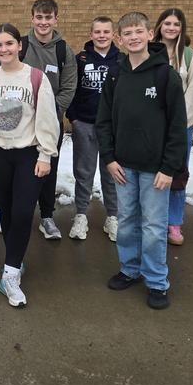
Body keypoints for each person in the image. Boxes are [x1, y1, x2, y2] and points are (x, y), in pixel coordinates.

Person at [96, 12, 186, 310]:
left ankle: (157, 281)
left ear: (150, 35)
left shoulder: (165, 75)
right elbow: (104, 120)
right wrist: (108, 158)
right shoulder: (116, 75)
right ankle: (129, 269)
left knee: (153, 227)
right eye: (127, 33)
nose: (133, 37)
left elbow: (177, 126)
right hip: (123, 166)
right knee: (127, 223)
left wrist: (168, 168)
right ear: (119, 39)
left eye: (139, 31)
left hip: (155, 170)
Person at [0, 24, 59, 308]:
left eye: (9, 43)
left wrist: (46, 155)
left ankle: (9, 276)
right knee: (7, 212)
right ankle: (15, 262)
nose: (4, 49)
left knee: (22, 212)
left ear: (20, 45)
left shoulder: (36, 78)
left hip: (28, 156)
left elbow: (48, 120)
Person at [19, 0, 77, 241]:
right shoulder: (20, 46)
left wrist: (49, 112)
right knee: (21, 168)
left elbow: (69, 87)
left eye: (48, 17)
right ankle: (19, 216)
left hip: (50, 122)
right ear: (32, 19)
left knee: (47, 169)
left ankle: (46, 216)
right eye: (39, 17)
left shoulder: (63, 50)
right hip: (21, 123)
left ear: (56, 19)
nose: (43, 22)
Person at [64, 16, 120, 242]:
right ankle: (80, 215)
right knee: (84, 172)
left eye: (106, 32)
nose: (102, 36)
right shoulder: (81, 60)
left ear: (114, 35)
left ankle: (113, 217)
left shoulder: (122, 61)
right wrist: (74, 118)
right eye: (97, 32)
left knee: (112, 173)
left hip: (112, 128)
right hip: (85, 123)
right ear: (91, 34)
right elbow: (72, 90)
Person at [153, 8, 193, 246]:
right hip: (151, 126)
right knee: (151, 174)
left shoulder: (189, 56)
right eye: (167, 24)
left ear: (182, 28)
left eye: (176, 24)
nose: (171, 28)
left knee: (176, 174)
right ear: (159, 27)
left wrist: (178, 123)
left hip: (179, 127)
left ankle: (173, 223)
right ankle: (153, 219)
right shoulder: (149, 52)